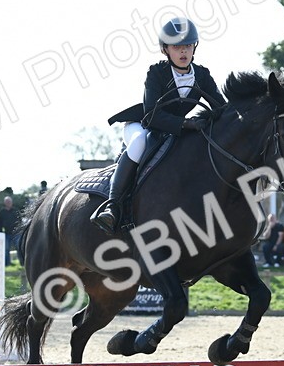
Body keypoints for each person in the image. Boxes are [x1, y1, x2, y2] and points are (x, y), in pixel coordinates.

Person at [92, 17, 226, 234]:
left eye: (188, 46)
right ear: (165, 50)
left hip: (175, 129)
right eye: (177, 47)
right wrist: (186, 123)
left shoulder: (201, 75)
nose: (183, 52)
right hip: (144, 125)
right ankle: (112, 206)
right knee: (138, 145)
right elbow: (152, 115)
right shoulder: (156, 72)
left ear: (194, 47)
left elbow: (221, 107)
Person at [0, 196, 19, 265]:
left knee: (19, 248)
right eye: (7, 202)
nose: (9, 203)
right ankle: (7, 263)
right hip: (5, 233)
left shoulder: (15, 211)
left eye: (9, 202)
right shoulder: (1, 212)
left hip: (16, 233)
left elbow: (20, 221)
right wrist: (0, 231)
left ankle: (22, 263)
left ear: (12, 202)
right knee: (6, 249)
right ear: (5, 203)